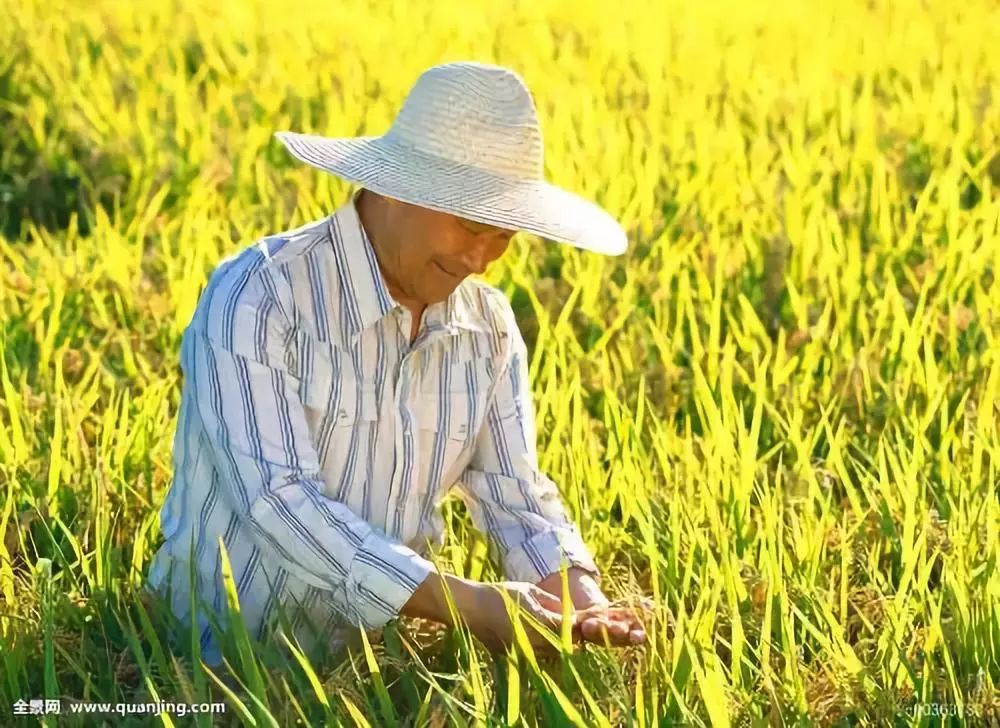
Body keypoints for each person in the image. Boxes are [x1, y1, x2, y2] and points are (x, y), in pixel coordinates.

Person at [146, 61, 651, 669]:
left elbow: (516, 497)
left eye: (504, 237)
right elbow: (277, 501)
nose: (482, 260)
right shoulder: (259, 293)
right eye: (470, 226)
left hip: (377, 664)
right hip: (210, 662)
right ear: (393, 185)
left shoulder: (487, 327)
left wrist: (580, 599)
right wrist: (468, 605)